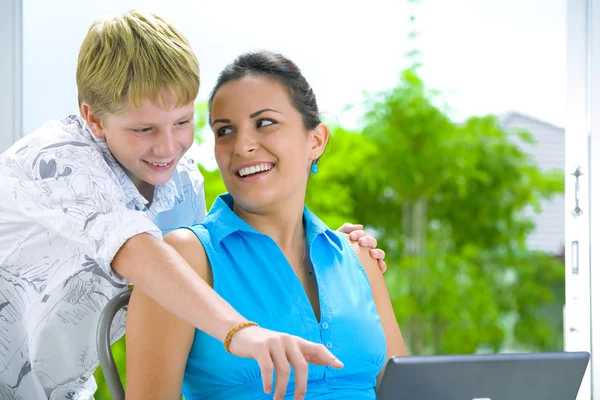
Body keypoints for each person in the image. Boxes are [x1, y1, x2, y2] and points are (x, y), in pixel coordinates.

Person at [0, 11, 388, 400]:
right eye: (144, 129)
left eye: (182, 122)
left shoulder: (181, 182)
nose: (169, 147)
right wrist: (241, 331)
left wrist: (324, 256)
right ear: (95, 120)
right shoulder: (55, 159)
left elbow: (195, 273)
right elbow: (141, 253)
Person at [126, 50, 407, 400]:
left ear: (316, 141)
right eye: (224, 131)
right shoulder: (185, 258)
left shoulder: (358, 258)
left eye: (264, 123)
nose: (242, 145)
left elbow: (407, 388)